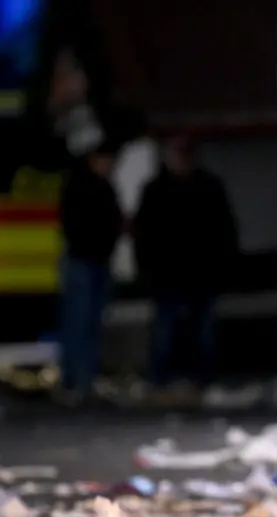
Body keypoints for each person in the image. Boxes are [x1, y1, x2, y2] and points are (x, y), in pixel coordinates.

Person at [134, 134, 239, 392]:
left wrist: (223, 267)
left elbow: (225, 231)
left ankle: (202, 381)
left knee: (202, 332)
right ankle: (161, 381)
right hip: (166, 274)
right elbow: (144, 233)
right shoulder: (156, 190)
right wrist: (147, 270)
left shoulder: (209, 187)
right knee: (165, 331)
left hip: (201, 273)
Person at [55, 144, 122, 405]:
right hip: (84, 261)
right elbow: (79, 225)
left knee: (87, 325)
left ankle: (80, 381)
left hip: (93, 260)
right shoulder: (84, 187)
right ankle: (77, 381)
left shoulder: (97, 186)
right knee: (80, 325)